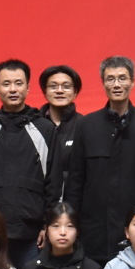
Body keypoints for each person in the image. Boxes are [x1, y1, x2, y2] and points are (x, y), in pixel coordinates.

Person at [0, 60, 61, 269]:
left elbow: (54, 184)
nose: (13, 89)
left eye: (18, 83)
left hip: (32, 236)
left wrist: (48, 225)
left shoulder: (45, 130)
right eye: (6, 84)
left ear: (28, 87)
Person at [76, 57, 135, 264]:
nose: (117, 84)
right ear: (103, 83)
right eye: (110, 79)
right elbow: (76, 182)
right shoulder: (87, 125)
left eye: (122, 78)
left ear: (132, 82)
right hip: (94, 232)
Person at [39, 65, 88, 204]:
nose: (59, 91)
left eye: (66, 86)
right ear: (45, 92)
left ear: (75, 92)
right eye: (53, 86)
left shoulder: (86, 126)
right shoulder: (32, 126)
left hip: (75, 204)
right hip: (37, 204)